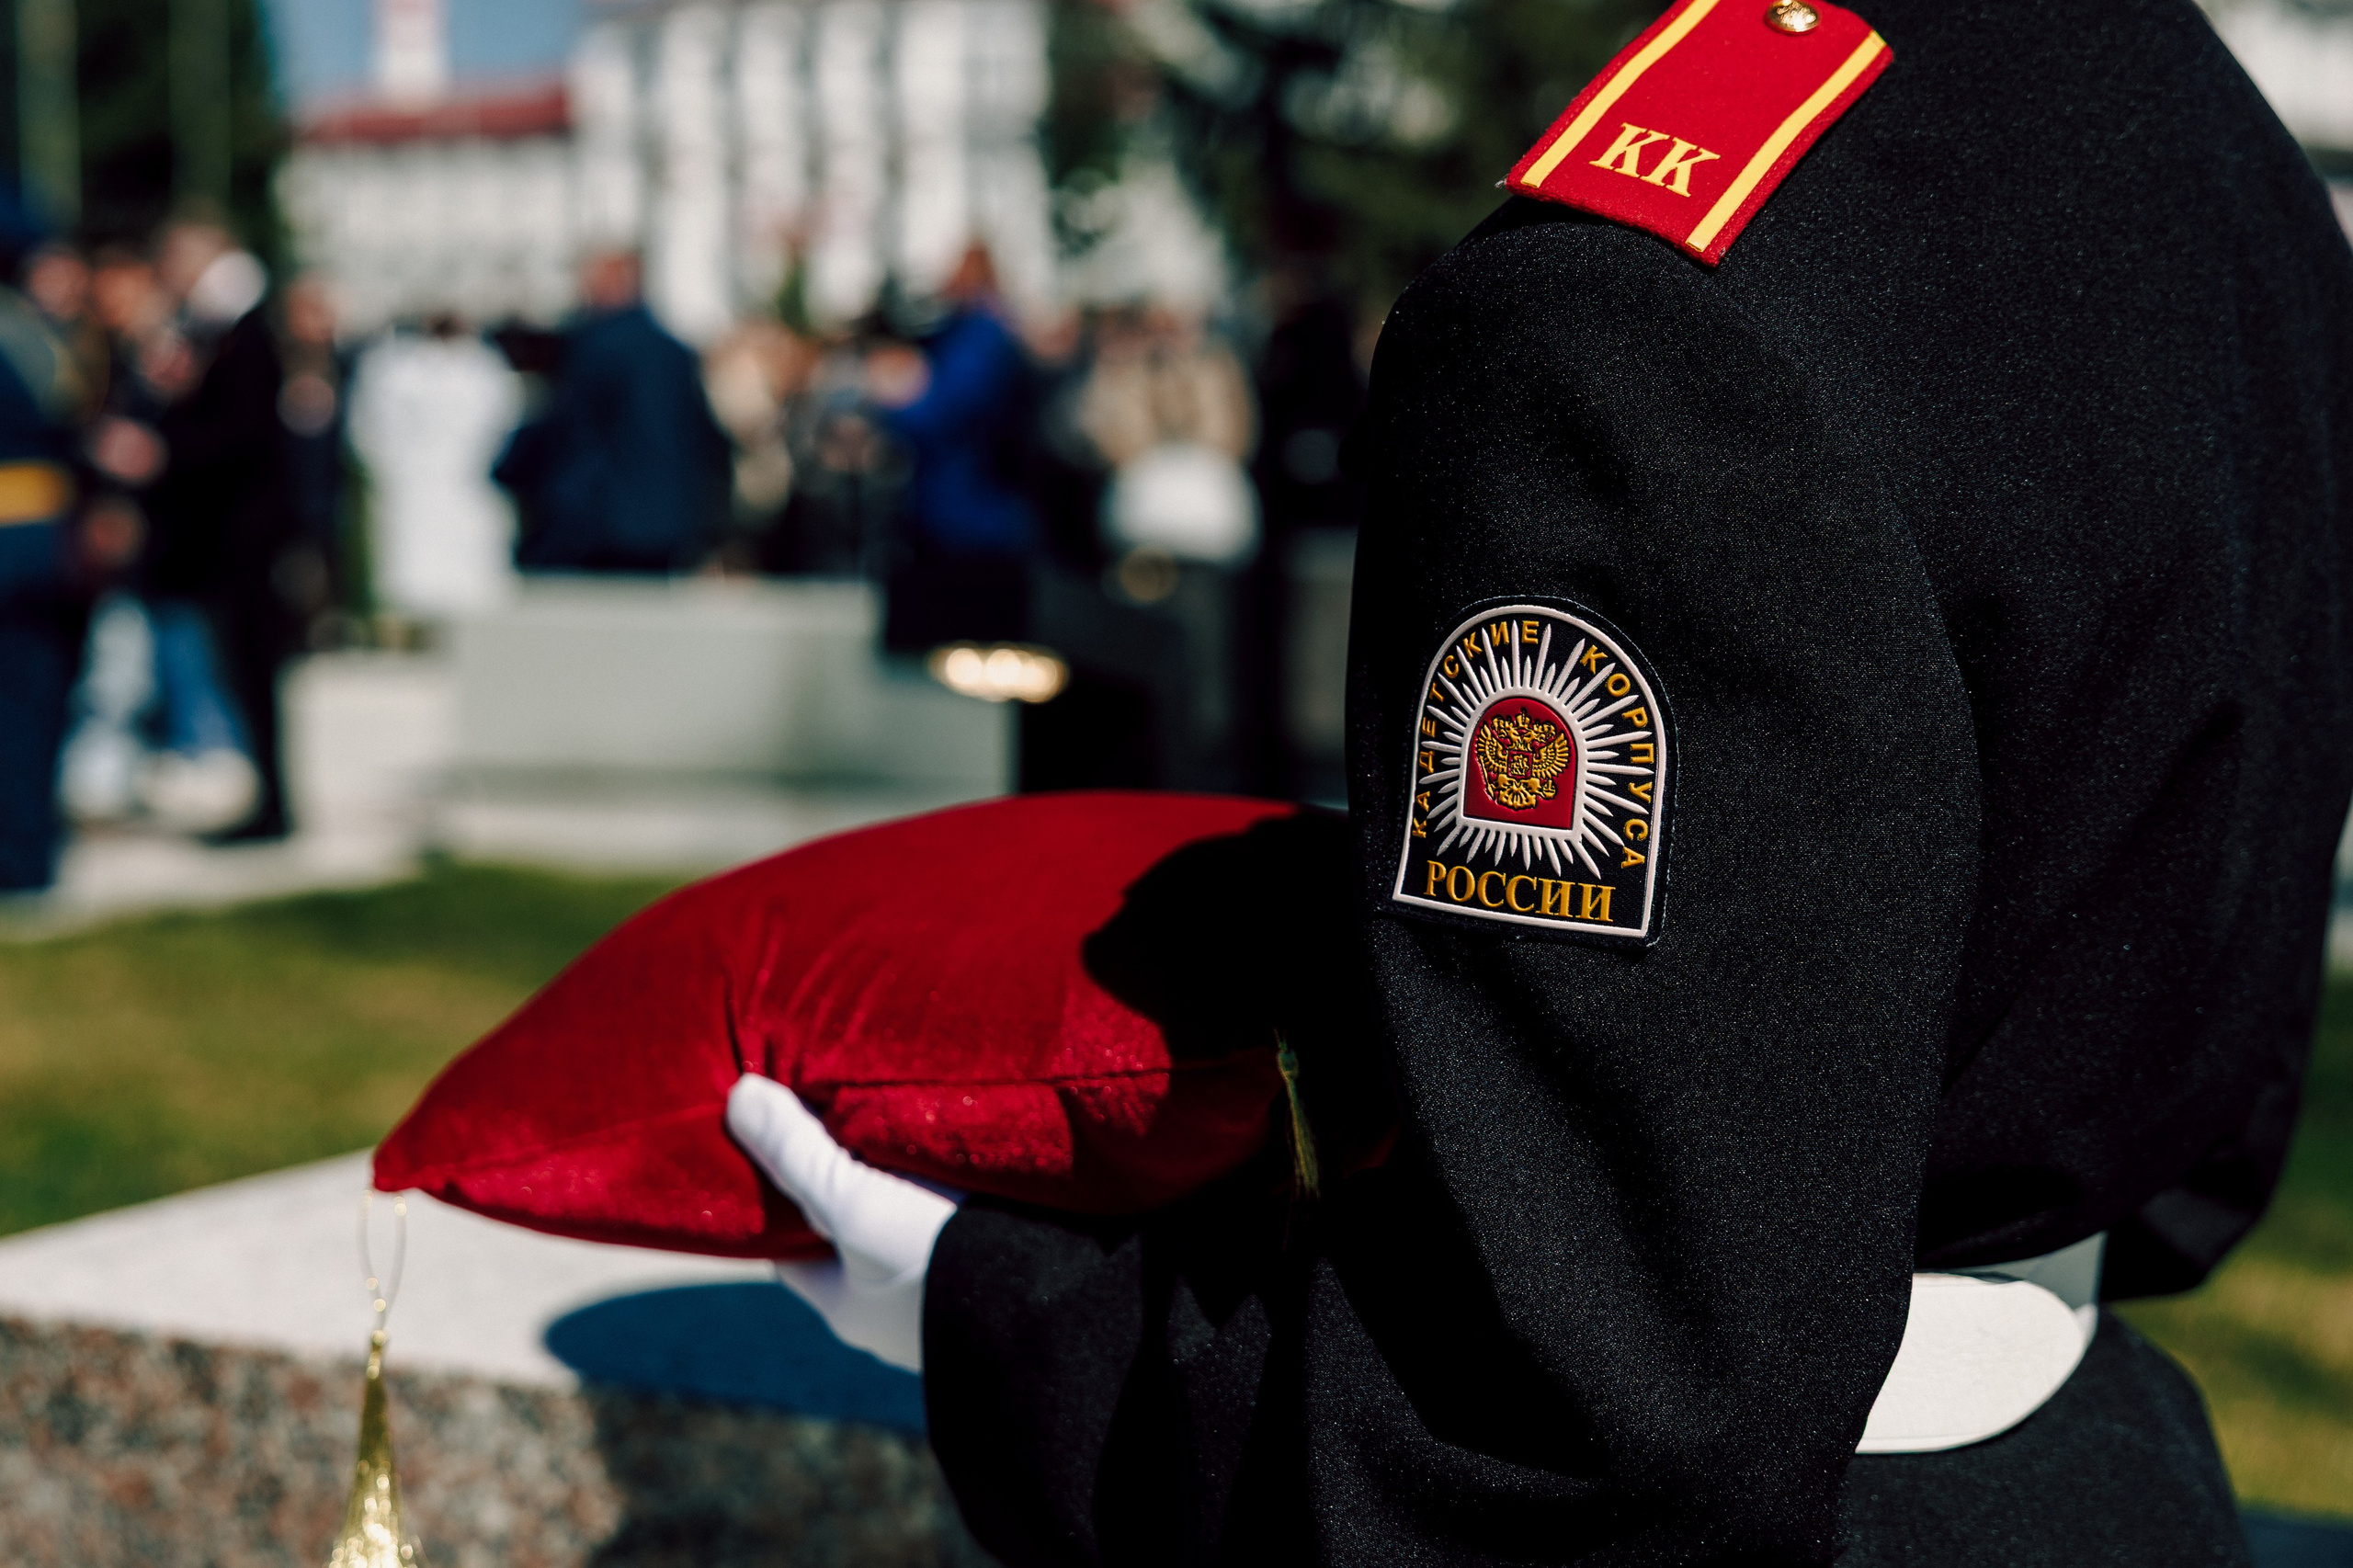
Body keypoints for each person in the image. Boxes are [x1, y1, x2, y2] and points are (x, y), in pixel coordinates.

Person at [729, 0, 2353, 1562]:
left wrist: (1003, 1327)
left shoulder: (1645, 310)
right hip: (2100, 1480)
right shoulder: (2215, 150)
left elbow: (1563, 1445)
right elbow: (2205, 1110)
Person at [499, 250, 730, 575]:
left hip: (606, 523)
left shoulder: (595, 347)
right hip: (672, 520)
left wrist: (512, 467)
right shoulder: (676, 352)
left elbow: (568, 434)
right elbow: (704, 437)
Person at [873, 243, 1043, 651]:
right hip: (973, 518)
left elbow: (939, 416)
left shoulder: (981, 337)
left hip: (972, 523)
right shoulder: (983, 334)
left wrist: (893, 394)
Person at [347, 312, 522, 619]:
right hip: (410, 490)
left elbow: (502, 428)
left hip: (464, 486)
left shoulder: (482, 369)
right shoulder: (394, 367)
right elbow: (367, 433)